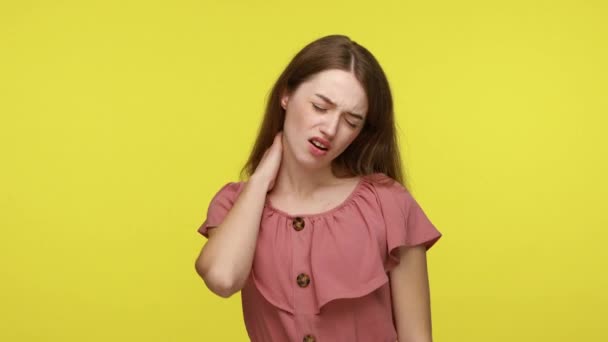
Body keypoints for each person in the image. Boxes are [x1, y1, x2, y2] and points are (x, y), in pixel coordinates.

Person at [194, 34, 442, 342]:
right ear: (286, 95)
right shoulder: (235, 204)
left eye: (351, 121)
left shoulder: (388, 204)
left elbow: (417, 338)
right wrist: (260, 179)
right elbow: (222, 278)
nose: (330, 129)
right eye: (320, 107)